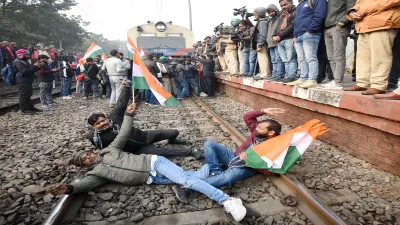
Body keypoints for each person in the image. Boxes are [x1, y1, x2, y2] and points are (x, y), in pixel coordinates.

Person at [48, 104, 247, 222]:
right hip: (151, 178)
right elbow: (86, 185)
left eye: (88, 154)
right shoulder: (96, 173)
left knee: (186, 181)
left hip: (153, 163)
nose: (89, 157)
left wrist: (128, 115)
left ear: (92, 152)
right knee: (196, 177)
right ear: (85, 166)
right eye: (85, 160)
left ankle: (227, 200)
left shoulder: (109, 150)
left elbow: (124, 134)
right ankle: (215, 165)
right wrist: (68, 188)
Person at [172, 108, 285, 202]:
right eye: (257, 126)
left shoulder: (275, 148)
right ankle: (215, 170)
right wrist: (263, 110)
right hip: (234, 156)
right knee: (209, 144)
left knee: (225, 178)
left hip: (246, 168)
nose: (256, 128)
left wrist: (249, 161)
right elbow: (247, 117)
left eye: (260, 128)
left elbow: (273, 170)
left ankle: (186, 188)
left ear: (270, 133)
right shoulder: (258, 133)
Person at [87, 83, 202, 158]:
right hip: (138, 149)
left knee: (174, 132)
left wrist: (126, 87)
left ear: (106, 118)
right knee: (164, 152)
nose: (102, 124)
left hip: (145, 136)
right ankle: (191, 151)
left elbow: (121, 103)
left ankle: (172, 140)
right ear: (94, 127)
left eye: (103, 121)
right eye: (98, 124)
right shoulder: (95, 138)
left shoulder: (114, 117)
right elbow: (105, 150)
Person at [344, 0, 400, 95]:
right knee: (362, 57)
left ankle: (378, 85)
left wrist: (362, 10)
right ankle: (363, 82)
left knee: (380, 57)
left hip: (383, 24)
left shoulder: (365, 10)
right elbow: (359, 3)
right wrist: (352, 12)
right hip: (363, 25)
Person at [287, 0, 327, 89]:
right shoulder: (301, 4)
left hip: (310, 33)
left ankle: (312, 79)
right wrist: (294, 35)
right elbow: (296, 21)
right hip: (298, 35)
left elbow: (320, 15)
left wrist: (310, 30)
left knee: (310, 57)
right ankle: (303, 78)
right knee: (301, 59)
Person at [322, 0, 356, 89]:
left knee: (339, 56)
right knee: (331, 58)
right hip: (327, 28)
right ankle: (336, 80)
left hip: (339, 27)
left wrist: (341, 24)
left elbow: (352, 9)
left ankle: (338, 81)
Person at [273, 0, 298, 83]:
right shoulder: (282, 14)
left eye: (285, 4)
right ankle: (287, 76)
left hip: (289, 38)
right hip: (281, 40)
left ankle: (292, 76)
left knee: (291, 58)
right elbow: (278, 27)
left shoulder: (296, 11)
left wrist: (280, 35)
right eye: (281, 5)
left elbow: (292, 26)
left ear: (291, 2)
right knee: (285, 60)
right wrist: (274, 35)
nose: (283, 7)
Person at [13, 49, 43, 114]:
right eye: (26, 54)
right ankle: (24, 109)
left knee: (28, 94)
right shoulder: (18, 62)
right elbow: (24, 72)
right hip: (22, 80)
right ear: (21, 55)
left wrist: (38, 67)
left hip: (27, 80)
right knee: (24, 95)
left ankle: (30, 107)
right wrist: (35, 66)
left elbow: (30, 70)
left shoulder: (24, 61)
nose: (28, 55)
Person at [267, 4, 285, 82]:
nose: (271, 13)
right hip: (270, 43)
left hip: (277, 42)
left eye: (272, 11)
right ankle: (274, 74)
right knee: (273, 60)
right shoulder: (270, 20)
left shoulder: (280, 17)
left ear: (275, 10)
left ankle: (279, 75)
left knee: (278, 59)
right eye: (269, 12)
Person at [252, 7, 272, 81]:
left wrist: (260, 44)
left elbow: (263, 34)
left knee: (263, 59)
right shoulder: (262, 21)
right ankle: (263, 73)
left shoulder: (262, 22)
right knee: (261, 59)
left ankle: (265, 74)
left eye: (255, 14)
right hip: (261, 42)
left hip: (262, 43)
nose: (254, 16)